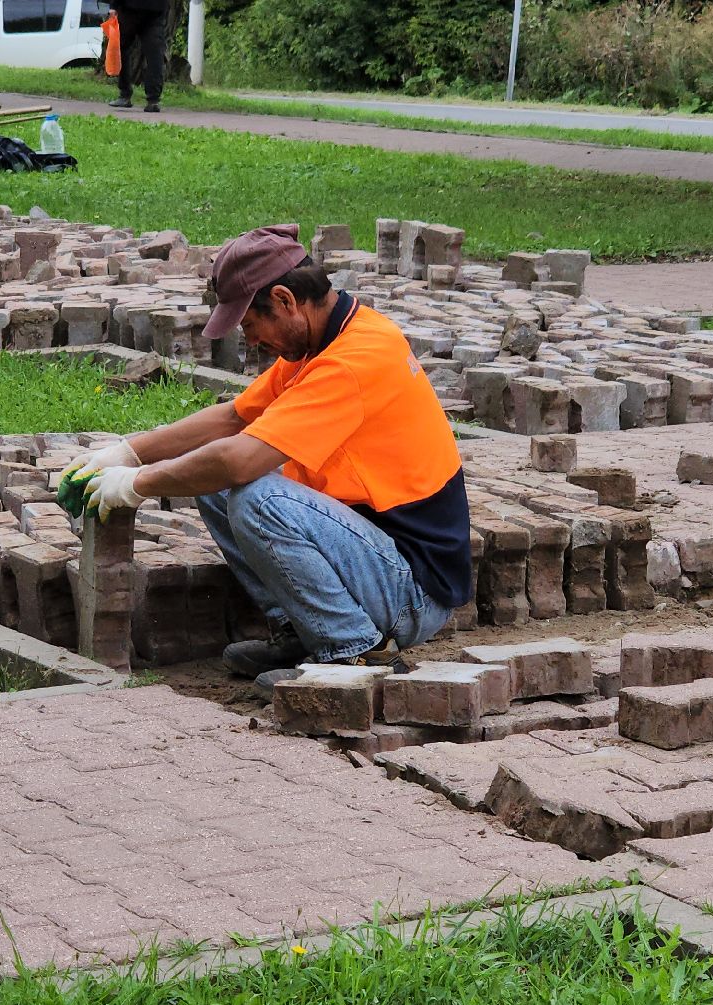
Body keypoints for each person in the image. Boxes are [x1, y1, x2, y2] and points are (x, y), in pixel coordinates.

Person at [63, 223, 473, 688]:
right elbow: (233, 418)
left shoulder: (353, 360)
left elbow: (238, 460)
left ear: (284, 300)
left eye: (251, 326)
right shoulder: (326, 338)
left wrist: (136, 485)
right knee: (215, 483)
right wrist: (128, 452)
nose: (253, 342)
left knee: (257, 498)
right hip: (376, 557)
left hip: (412, 591)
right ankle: (301, 632)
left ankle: (354, 652)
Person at [107, 0, 168, 113]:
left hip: (130, 7)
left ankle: (125, 94)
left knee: (121, 47)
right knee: (155, 54)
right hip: (156, 9)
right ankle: (153, 99)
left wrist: (114, 5)